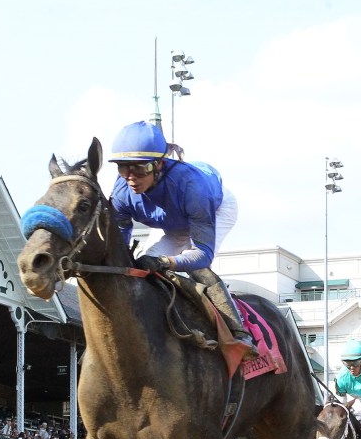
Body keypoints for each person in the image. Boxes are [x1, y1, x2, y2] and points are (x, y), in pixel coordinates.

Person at [107, 120, 255, 358]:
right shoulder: (122, 194)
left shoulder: (192, 188)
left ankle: (240, 334)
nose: (131, 178)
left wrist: (167, 262)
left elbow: (202, 253)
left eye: (140, 168)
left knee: (197, 269)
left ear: (158, 164)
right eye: (123, 169)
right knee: (142, 266)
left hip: (215, 209)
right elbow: (120, 244)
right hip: (173, 221)